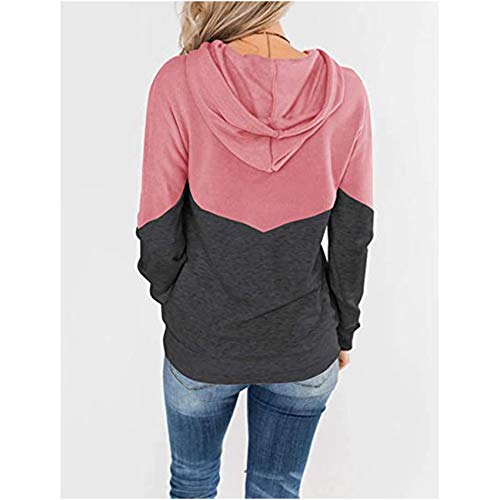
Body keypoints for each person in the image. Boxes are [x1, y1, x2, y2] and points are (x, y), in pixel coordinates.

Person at [136, 2, 374, 498]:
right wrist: (343, 329)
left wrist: (183, 307)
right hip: (303, 346)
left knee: (192, 484)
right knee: (275, 491)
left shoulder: (178, 82)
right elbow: (353, 233)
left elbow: (157, 228)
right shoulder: (346, 93)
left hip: (202, 343)